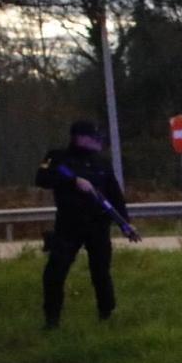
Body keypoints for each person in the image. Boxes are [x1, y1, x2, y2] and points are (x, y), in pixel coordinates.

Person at [35, 120, 138, 329]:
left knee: (101, 271)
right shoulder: (56, 157)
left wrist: (125, 224)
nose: (99, 142)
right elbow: (42, 178)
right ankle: (52, 319)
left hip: (98, 225)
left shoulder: (101, 163)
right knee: (55, 273)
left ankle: (106, 314)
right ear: (80, 138)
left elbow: (115, 195)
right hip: (68, 226)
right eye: (94, 138)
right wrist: (73, 181)